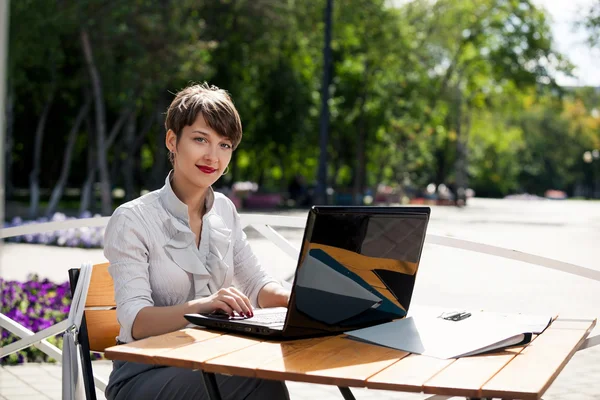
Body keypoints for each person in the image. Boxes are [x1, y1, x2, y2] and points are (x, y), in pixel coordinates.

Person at [103, 83, 291, 400]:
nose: (212, 156)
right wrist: (202, 307)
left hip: (210, 360)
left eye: (224, 145)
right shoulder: (132, 219)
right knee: (259, 382)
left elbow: (257, 284)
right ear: (172, 140)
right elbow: (135, 321)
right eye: (200, 139)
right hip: (145, 373)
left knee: (263, 375)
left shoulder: (225, 211)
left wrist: (304, 301)